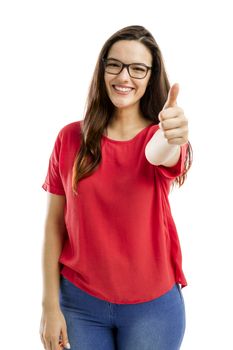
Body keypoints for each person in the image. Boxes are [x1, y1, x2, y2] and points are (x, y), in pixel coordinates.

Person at [39, 25, 193, 350]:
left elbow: (163, 152)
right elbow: (55, 226)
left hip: (152, 309)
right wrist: (49, 306)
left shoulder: (157, 140)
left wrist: (172, 135)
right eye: (115, 64)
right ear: (103, 69)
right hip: (80, 305)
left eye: (138, 69)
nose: (124, 77)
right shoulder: (69, 139)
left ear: (151, 77)